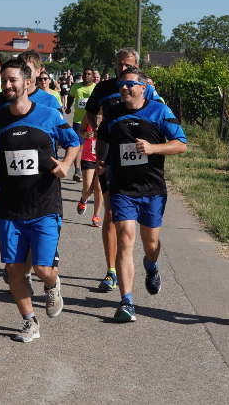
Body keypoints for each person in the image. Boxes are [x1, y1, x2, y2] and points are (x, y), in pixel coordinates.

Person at [0, 58, 80, 342]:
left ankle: (53, 284)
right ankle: (29, 322)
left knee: (44, 269)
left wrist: (67, 164)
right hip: (11, 207)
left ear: (27, 83)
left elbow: (73, 142)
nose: (7, 85)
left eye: (12, 80)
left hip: (45, 204)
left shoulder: (48, 114)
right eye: (3, 80)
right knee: (15, 271)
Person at [96, 66, 186, 322]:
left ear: (143, 87)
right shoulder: (112, 111)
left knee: (150, 245)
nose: (125, 88)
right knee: (125, 238)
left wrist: (153, 148)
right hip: (123, 189)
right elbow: (103, 139)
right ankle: (127, 301)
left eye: (130, 84)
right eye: (122, 84)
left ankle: (151, 264)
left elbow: (181, 144)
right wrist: (102, 160)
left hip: (152, 189)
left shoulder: (159, 110)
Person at [83, 48, 163, 292]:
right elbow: (91, 108)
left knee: (150, 238)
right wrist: (96, 129)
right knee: (111, 215)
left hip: (143, 161)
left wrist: (155, 145)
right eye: (119, 65)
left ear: (136, 66)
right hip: (112, 157)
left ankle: (150, 264)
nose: (122, 69)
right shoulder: (104, 88)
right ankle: (111, 271)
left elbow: (160, 110)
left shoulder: (144, 86)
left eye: (127, 65)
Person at [66, 67, 97, 183]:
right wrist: (68, 107)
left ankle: (93, 168)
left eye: (89, 74)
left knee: (92, 146)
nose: (86, 76)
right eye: (85, 74)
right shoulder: (76, 86)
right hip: (78, 121)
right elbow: (70, 96)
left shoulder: (96, 88)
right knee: (78, 145)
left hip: (92, 121)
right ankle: (77, 170)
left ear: (93, 76)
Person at [77, 121, 103, 227]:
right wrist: (85, 134)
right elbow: (81, 130)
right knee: (87, 187)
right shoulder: (89, 115)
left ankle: (96, 216)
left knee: (99, 187)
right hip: (88, 156)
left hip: (103, 157)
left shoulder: (111, 113)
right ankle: (83, 199)